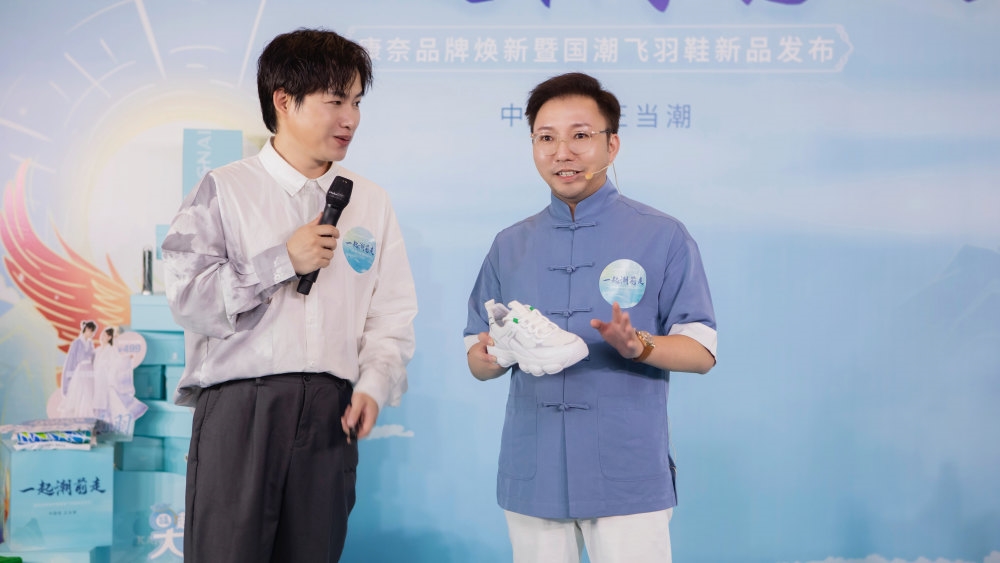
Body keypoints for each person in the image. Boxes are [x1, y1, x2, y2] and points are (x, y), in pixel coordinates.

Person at [162, 28, 417, 563]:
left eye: (356, 102)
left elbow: (391, 315)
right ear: (284, 100)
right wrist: (282, 261)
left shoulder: (370, 201)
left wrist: (373, 385)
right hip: (241, 407)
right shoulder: (225, 188)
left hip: (331, 411)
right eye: (335, 101)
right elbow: (188, 297)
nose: (350, 119)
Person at [464, 72, 717, 563]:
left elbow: (702, 351)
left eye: (580, 135)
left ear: (611, 145)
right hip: (533, 470)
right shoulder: (509, 245)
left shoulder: (663, 235)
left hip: (626, 472)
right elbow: (477, 358)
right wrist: (499, 354)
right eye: (546, 138)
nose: (563, 152)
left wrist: (639, 345)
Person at [56, 320, 97, 418]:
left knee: (89, 395)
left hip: (89, 372)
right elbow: (70, 361)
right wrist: (68, 378)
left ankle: (87, 419)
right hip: (80, 371)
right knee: (79, 395)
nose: (91, 334)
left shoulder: (90, 344)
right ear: (86, 329)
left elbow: (93, 359)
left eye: (93, 332)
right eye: (90, 331)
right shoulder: (76, 343)